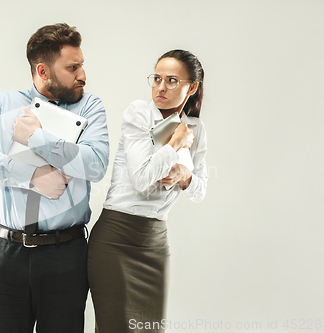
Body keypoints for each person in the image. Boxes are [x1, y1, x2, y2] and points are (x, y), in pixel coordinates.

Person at [0, 23, 109, 333]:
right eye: (73, 67)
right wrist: (32, 176)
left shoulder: (90, 106)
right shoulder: (5, 104)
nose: (83, 74)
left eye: (81, 64)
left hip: (66, 256)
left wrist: (37, 138)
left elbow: (95, 165)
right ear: (43, 71)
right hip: (8, 253)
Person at [87, 49, 207, 333]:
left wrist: (185, 175)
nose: (161, 87)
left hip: (154, 244)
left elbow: (200, 190)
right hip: (116, 239)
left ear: (192, 87)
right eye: (157, 78)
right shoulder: (139, 113)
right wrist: (174, 144)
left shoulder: (196, 128)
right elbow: (141, 179)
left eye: (172, 81)